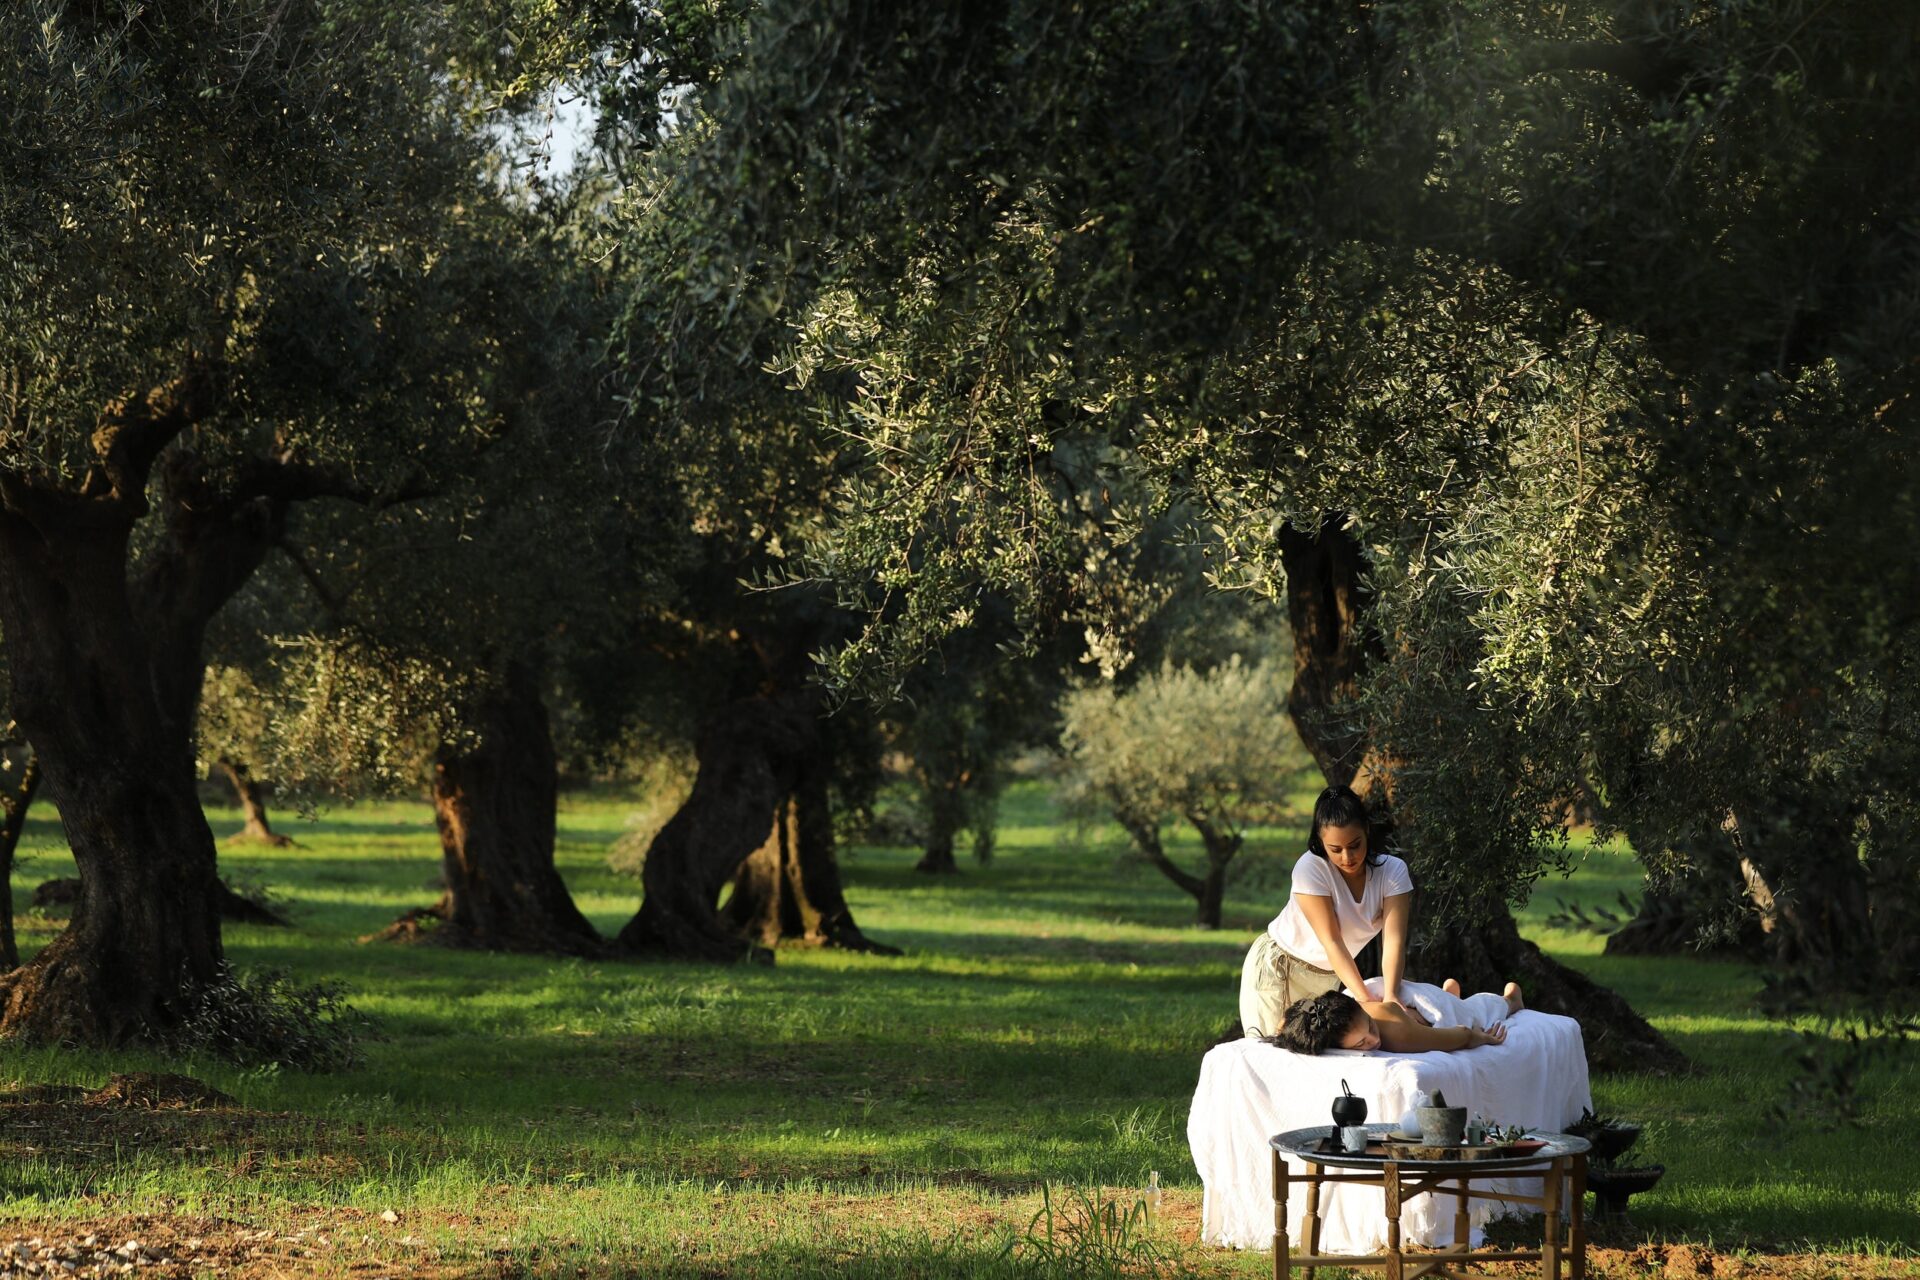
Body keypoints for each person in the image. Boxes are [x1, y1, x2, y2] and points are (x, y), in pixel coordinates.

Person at [1238, 784, 1413, 1038]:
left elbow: (1394, 940)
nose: (1347, 857)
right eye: (1335, 849)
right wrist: (1364, 1000)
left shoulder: (1393, 872)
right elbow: (1332, 941)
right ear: (1321, 842)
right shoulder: (1310, 869)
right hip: (1281, 968)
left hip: (1328, 978)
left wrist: (1391, 995)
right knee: (1271, 1054)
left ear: (1366, 830)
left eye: (1355, 845)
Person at [1269, 980, 1525, 1055]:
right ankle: (1450, 995)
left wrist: (1484, 1038)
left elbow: (1461, 1035)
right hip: (1398, 1007)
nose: (1373, 1040)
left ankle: (1512, 1000)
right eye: (1360, 1044)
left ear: (1364, 1010)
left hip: (1413, 1000)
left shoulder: (1396, 1033)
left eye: (1369, 1026)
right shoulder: (1324, 1019)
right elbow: (1289, 1022)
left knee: (1474, 1013)